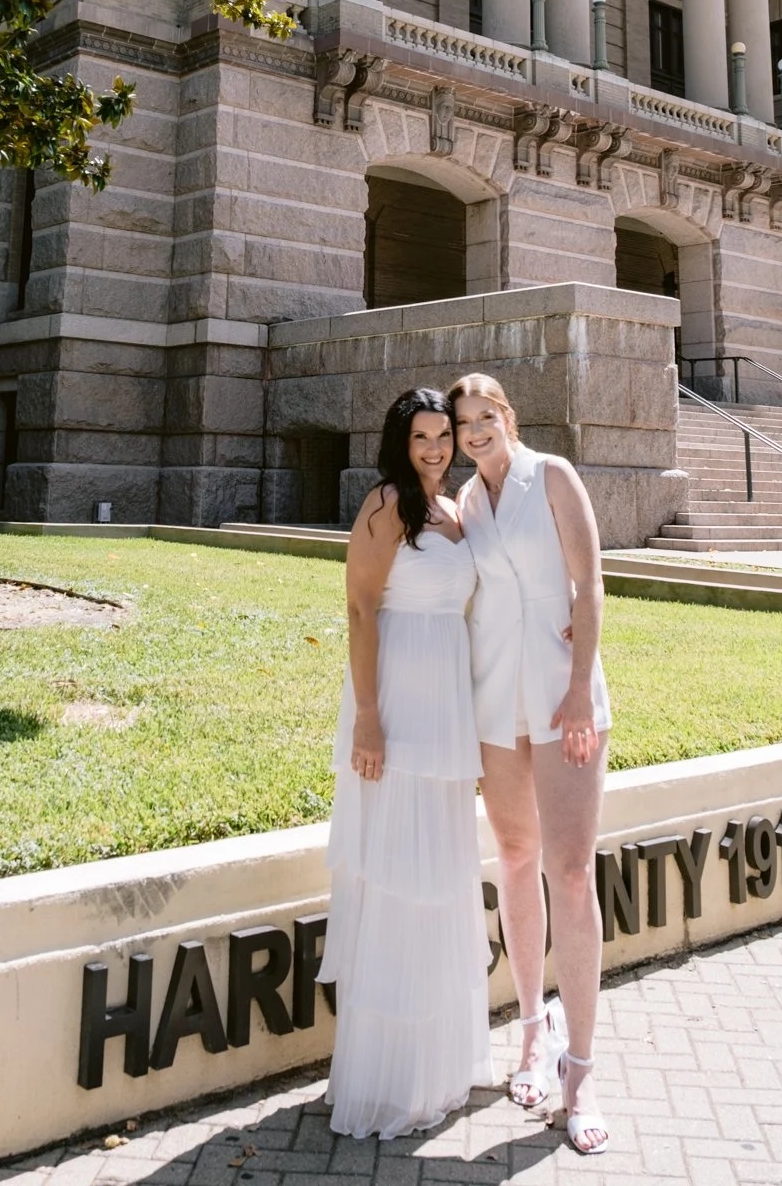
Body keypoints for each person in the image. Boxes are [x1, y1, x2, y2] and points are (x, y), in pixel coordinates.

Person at [318, 387, 492, 1139]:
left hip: (447, 711)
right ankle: (387, 1078)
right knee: (398, 878)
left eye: (441, 435)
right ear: (400, 442)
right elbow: (361, 609)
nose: (434, 448)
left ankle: (438, 1067)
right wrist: (367, 717)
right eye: (421, 437)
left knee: (442, 878)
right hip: (393, 706)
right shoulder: (385, 503)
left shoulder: (456, 509)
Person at [449, 372, 612, 1157]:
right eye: (463, 423)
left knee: (569, 873)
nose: (475, 431)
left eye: (486, 416)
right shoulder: (466, 502)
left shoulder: (551, 475)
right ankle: (530, 1035)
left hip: (559, 699)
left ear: (508, 417)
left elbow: (590, 582)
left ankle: (579, 1072)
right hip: (494, 706)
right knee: (515, 859)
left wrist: (579, 688)